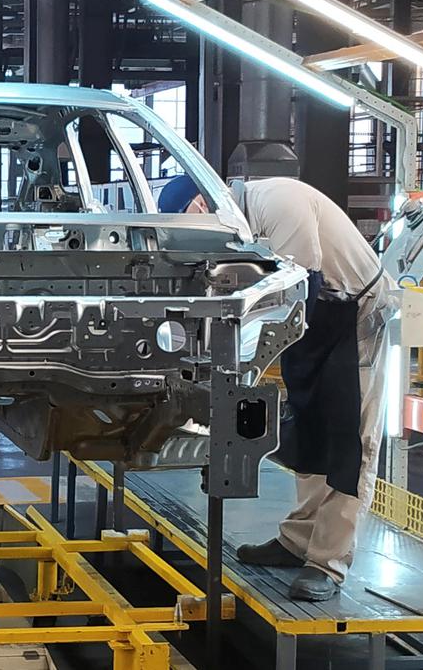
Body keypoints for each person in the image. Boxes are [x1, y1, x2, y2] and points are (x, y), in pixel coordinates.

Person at [158, 174, 393, 602]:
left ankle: (328, 563)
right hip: (314, 324)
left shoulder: (278, 200)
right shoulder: (242, 225)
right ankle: (297, 540)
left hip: (353, 318)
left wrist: (236, 361)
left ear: (201, 200)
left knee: (348, 441)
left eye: (192, 220)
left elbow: (302, 286)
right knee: (310, 431)